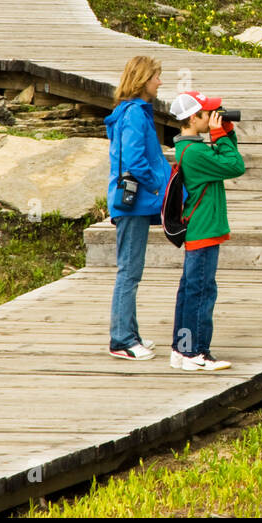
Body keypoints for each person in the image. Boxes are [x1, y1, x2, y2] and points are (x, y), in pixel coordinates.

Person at [169, 90, 245, 371]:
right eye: (209, 113)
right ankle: (196, 352)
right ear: (194, 118)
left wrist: (225, 133)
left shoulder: (190, 148)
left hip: (199, 230)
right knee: (202, 292)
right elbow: (236, 166)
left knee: (190, 290)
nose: (214, 116)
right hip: (203, 231)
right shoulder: (196, 153)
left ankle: (181, 349)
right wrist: (221, 137)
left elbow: (227, 159)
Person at [103, 56, 170, 360]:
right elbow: (134, 159)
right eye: (156, 76)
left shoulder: (134, 112)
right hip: (134, 203)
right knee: (129, 271)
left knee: (132, 269)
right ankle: (121, 340)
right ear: (143, 80)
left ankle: (131, 333)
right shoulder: (134, 115)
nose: (160, 82)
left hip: (136, 204)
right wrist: (157, 184)